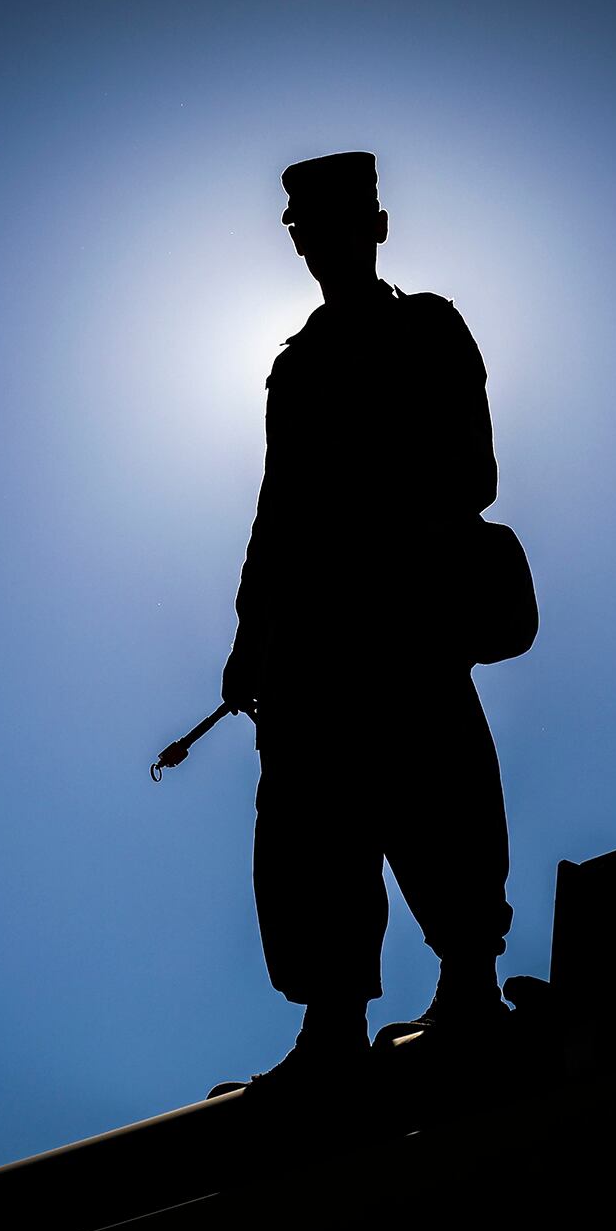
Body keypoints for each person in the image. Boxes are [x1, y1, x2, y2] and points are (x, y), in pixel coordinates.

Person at [220, 152, 514, 1089]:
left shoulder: (426, 327)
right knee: (310, 829)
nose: (315, 242)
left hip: (404, 615)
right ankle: (331, 1025)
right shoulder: (296, 367)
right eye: (302, 228)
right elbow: (274, 511)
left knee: (436, 795)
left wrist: (394, 534)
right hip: (309, 639)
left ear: (375, 228)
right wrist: (249, 637)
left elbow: (472, 470)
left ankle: (470, 984)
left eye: (335, 223)